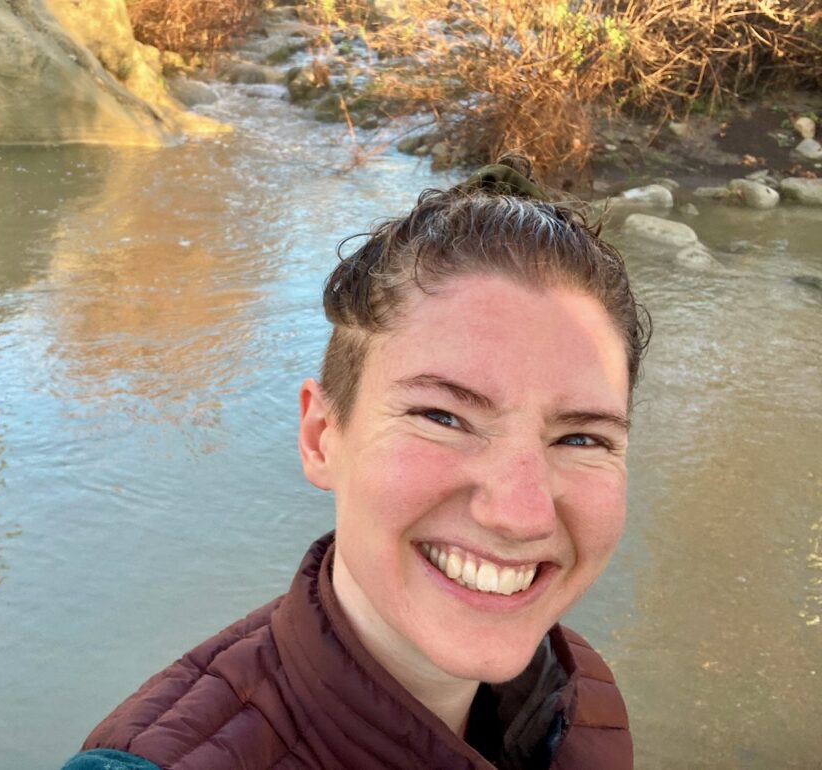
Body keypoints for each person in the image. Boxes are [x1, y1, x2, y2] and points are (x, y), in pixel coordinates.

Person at [62, 157, 649, 770]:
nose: (519, 514)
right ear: (321, 438)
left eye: (581, 439)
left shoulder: (580, 696)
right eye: (441, 417)